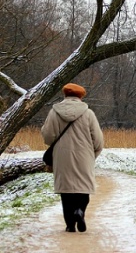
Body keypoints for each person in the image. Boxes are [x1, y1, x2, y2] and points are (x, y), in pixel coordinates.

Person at [41, 83, 104, 232]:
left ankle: (70, 225)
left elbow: (48, 137)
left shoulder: (54, 112)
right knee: (83, 188)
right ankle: (80, 211)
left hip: (62, 156)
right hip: (85, 156)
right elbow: (98, 141)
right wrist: (92, 155)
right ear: (81, 96)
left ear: (65, 95)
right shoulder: (88, 114)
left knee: (66, 192)